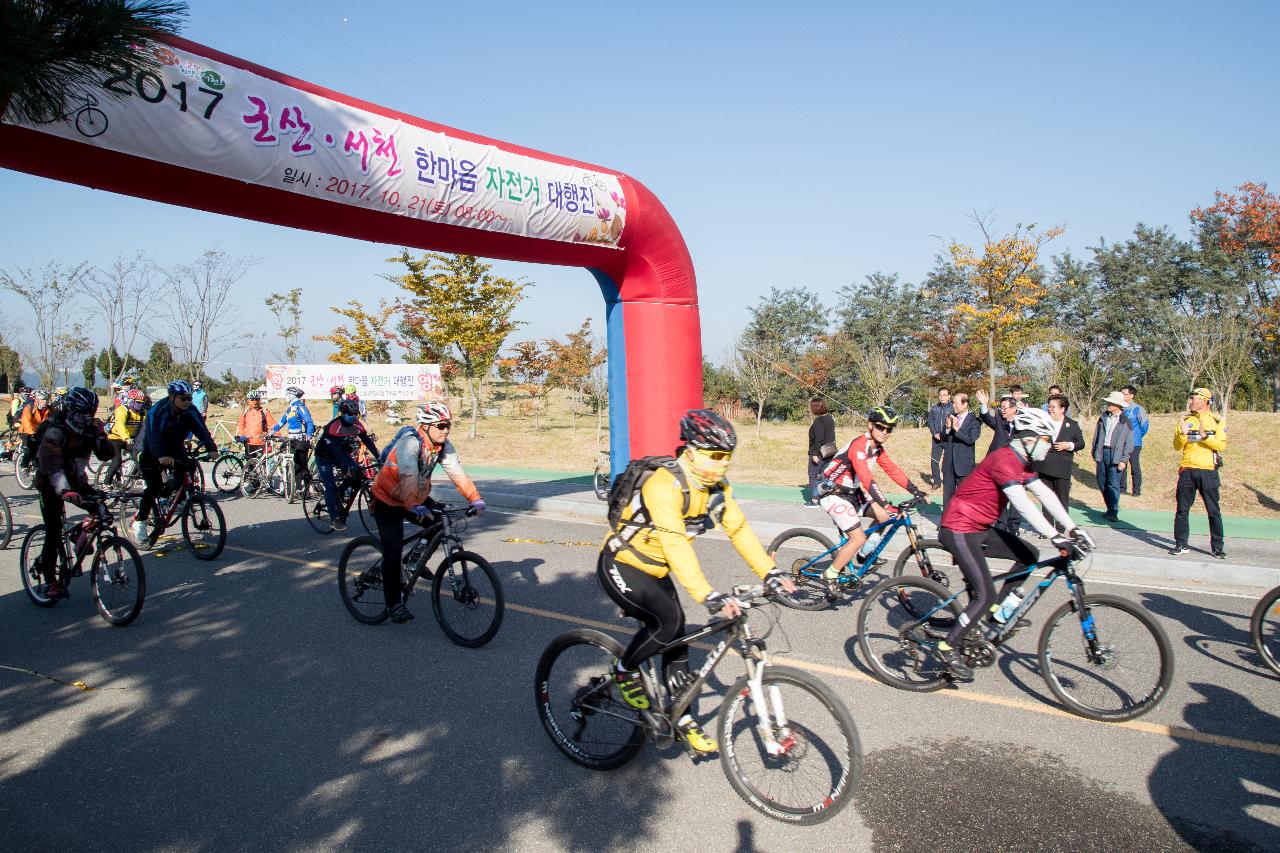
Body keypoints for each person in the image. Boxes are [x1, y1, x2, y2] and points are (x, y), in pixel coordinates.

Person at [600, 408, 796, 754]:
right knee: (669, 621)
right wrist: (708, 595)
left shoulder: (716, 488)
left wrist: (770, 571)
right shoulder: (665, 484)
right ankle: (623, 669)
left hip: (657, 570)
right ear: (690, 452)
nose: (721, 464)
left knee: (679, 638)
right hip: (622, 563)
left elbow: (737, 529)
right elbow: (675, 543)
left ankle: (682, 717)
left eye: (727, 457)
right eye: (715, 456)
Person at [935, 407, 1095, 679]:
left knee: (1029, 555)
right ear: (1030, 439)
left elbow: (1044, 494)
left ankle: (995, 612)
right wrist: (1057, 538)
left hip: (981, 528)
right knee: (983, 595)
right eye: (1046, 440)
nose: (1049, 446)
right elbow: (1023, 506)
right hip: (959, 528)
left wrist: (1073, 527)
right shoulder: (1004, 460)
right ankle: (947, 646)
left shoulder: (1023, 462)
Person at [369, 401, 485, 623]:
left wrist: (475, 498)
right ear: (425, 425)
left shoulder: (443, 446)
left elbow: (456, 472)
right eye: (440, 425)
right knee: (392, 553)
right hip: (387, 499)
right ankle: (394, 604)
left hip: (415, 498)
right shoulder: (409, 444)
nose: (446, 429)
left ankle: (413, 561)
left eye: (448, 425)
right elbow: (409, 476)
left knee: (440, 524)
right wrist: (412, 504)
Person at [816, 406, 926, 594]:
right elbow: (866, 478)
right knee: (857, 537)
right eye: (880, 427)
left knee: (884, 517)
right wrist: (885, 503)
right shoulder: (860, 444)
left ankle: (864, 554)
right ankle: (831, 574)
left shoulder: (877, 449)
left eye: (889, 429)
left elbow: (893, 470)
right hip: (833, 493)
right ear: (870, 425)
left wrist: (916, 491)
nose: (884, 432)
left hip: (851, 492)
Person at [33, 387, 114, 599]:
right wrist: (65, 490)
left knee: (103, 513)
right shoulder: (55, 430)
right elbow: (51, 464)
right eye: (83, 413)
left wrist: (101, 435)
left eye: (91, 413)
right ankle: (51, 580)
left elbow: (106, 455)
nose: (87, 417)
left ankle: (79, 540)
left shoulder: (89, 428)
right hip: (49, 483)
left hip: (76, 481)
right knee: (54, 530)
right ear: (70, 410)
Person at [133, 380, 217, 543]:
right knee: (154, 485)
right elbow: (153, 435)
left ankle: (166, 496)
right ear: (172, 397)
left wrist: (211, 448)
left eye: (190, 398)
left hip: (173, 447)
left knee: (188, 468)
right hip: (147, 449)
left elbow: (201, 429)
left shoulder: (190, 410)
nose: (188, 401)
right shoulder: (158, 411)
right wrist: (160, 456)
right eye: (183, 398)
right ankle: (140, 521)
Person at [1170, 388, 1227, 559]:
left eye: (1194, 399)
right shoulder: (1185, 420)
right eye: (1191, 398)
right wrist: (1182, 435)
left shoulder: (1217, 421)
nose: (1191, 402)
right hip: (1187, 470)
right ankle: (1181, 544)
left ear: (1205, 400)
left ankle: (1217, 547)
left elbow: (1221, 445)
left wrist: (1205, 438)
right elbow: (1177, 446)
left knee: (1213, 510)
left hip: (1208, 471)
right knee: (1182, 510)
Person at [314, 397, 380, 532]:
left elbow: (367, 441)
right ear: (343, 413)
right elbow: (337, 451)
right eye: (350, 414)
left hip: (341, 454)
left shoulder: (357, 424)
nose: (353, 417)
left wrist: (380, 457)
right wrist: (345, 468)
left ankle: (341, 491)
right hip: (324, 457)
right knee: (330, 485)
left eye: (356, 414)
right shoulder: (335, 426)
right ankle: (334, 519)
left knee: (358, 475)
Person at [1033, 394, 1084, 534]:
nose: (1050, 409)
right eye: (1049, 406)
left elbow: (1081, 443)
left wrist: (1069, 445)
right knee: (1046, 498)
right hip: (1044, 466)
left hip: (1062, 467)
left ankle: (1061, 528)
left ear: (1062, 408)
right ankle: (1047, 528)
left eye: (1053, 407)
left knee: (1062, 499)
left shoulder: (1072, 425)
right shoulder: (1043, 423)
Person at [976, 389, 1023, 531]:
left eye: (1005, 408)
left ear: (1014, 408)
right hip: (998, 466)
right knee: (999, 495)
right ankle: (1000, 525)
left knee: (1017, 497)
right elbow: (986, 418)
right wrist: (984, 405)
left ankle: (1013, 526)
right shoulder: (999, 420)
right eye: (1001, 408)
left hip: (1016, 465)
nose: (1002, 410)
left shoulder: (1024, 423)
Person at [1091, 391, 1134, 522]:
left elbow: (1129, 442)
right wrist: (1094, 451)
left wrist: (1124, 459)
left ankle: (1113, 510)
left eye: (1111, 402)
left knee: (1113, 483)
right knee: (1101, 482)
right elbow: (1096, 436)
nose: (1108, 404)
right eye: (1108, 402)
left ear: (1118, 404)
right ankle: (1109, 507)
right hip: (1102, 452)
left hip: (1117, 454)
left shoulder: (1125, 421)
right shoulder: (1103, 417)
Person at [270, 386, 315, 488]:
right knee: (296, 466)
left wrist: (309, 435)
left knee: (302, 465)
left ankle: (307, 488)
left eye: (287, 394)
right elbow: (282, 422)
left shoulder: (300, 407)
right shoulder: (290, 408)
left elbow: (309, 422)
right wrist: (272, 431)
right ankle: (298, 489)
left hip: (301, 440)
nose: (286, 396)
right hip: (291, 440)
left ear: (292, 395)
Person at [942, 392, 981, 506]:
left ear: (965, 404)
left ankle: (964, 522)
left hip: (964, 466)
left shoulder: (975, 421)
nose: (953, 405)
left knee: (965, 498)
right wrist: (948, 429)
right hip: (949, 464)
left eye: (955, 403)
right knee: (947, 497)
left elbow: (970, 439)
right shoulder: (951, 417)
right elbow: (943, 438)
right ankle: (946, 523)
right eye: (953, 402)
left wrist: (957, 429)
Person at [102, 388, 146, 487]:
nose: (140, 405)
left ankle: (133, 478)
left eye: (141, 403)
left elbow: (148, 426)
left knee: (139, 455)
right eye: (138, 402)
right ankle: (106, 483)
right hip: (114, 438)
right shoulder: (122, 409)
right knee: (117, 460)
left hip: (129, 439)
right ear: (130, 400)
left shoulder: (142, 413)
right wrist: (126, 438)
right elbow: (120, 425)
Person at [805, 397, 835, 506]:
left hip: (819, 453)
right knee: (825, 475)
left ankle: (814, 500)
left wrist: (814, 454)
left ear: (816, 407)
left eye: (812, 406)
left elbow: (818, 439)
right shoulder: (830, 418)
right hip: (830, 452)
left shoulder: (818, 421)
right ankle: (825, 499)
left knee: (813, 474)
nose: (810, 408)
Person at [1120, 385, 1149, 496]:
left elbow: (1144, 426)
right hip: (1121, 443)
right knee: (1121, 465)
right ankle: (1122, 488)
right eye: (1121, 393)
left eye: (1124, 393)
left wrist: (1136, 436)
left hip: (1134, 443)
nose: (1122, 395)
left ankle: (1136, 490)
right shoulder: (1120, 408)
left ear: (1131, 395)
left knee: (1135, 466)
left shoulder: (1138, 409)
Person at [236, 391, 273, 469]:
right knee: (250, 466)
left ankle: (262, 480)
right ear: (248, 401)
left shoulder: (265, 412)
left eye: (257, 399)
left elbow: (272, 425)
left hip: (261, 443)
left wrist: (277, 436)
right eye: (252, 399)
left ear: (259, 400)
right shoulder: (245, 412)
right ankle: (251, 480)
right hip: (249, 442)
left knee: (262, 465)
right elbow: (241, 424)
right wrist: (242, 434)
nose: (255, 401)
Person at [927, 387, 953, 488]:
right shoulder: (934, 408)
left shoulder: (953, 408)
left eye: (944, 395)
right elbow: (930, 422)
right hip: (936, 439)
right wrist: (934, 433)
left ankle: (948, 481)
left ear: (949, 396)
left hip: (948, 438)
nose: (942, 397)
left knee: (948, 461)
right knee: (934, 460)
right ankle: (936, 482)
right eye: (940, 395)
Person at [18, 389, 52, 455]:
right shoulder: (29, 408)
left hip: (40, 431)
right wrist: (31, 433)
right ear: (37, 400)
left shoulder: (50, 409)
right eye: (42, 399)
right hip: (26, 431)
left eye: (46, 400)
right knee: (31, 448)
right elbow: (26, 421)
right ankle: (24, 464)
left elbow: (56, 419)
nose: (45, 402)